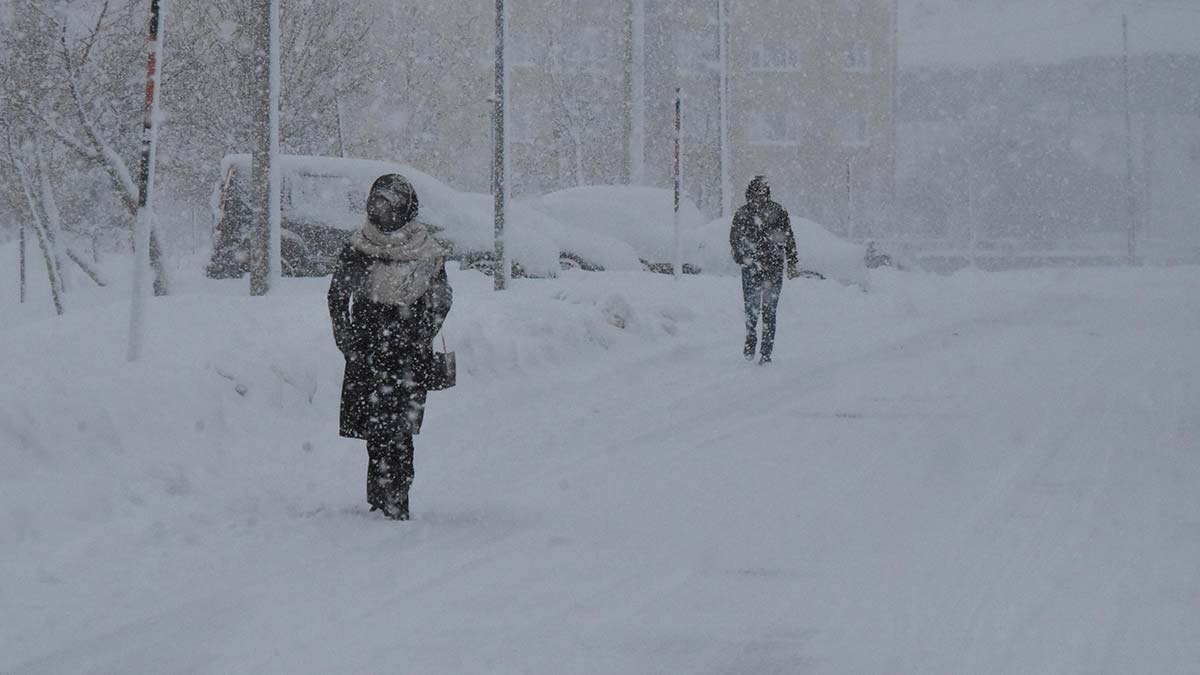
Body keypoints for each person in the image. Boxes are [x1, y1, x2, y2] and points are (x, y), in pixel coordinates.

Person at [328, 174, 453, 520]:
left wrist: (420, 332)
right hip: (367, 350)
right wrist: (348, 341)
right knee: (374, 427)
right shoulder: (358, 245)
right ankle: (378, 496)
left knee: (399, 429)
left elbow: (441, 298)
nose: (380, 211)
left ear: (403, 207)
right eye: (376, 203)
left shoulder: (424, 249)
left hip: (407, 354)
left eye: (387, 204)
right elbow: (338, 295)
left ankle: (398, 496)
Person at [729, 175, 799, 365]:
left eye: (762, 194)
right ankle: (751, 337)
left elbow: (788, 237)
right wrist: (741, 257)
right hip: (751, 268)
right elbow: (734, 239)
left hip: (773, 268)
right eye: (755, 194)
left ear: (767, 194)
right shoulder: (743, 214)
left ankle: (766, 352)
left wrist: (792, 261)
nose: (759, 198)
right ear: (749, 195)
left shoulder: (778, 212)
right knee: (751, 310)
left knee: (769, 312)